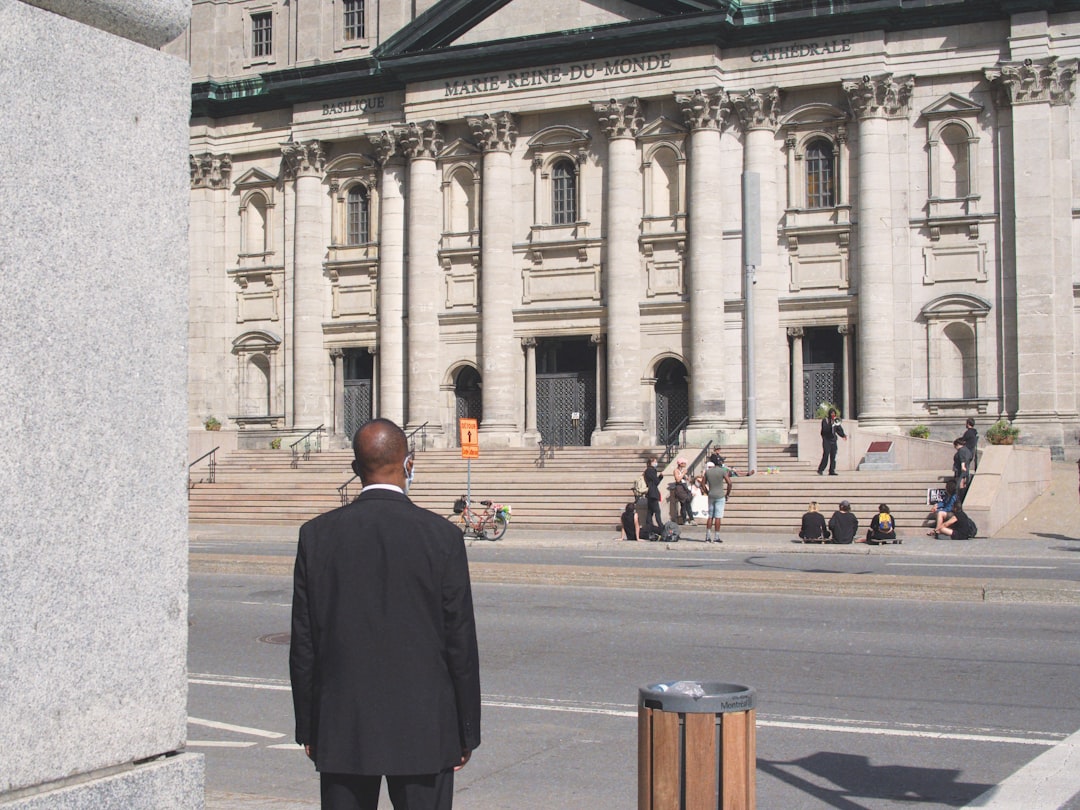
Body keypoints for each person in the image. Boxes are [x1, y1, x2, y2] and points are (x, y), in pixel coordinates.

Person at [290, 419, 481, 810]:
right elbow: (459, 642)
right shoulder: (441, 536)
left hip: (344, 727)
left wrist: (309, 727)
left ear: (356, 469)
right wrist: (466, 731)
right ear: (409, 464)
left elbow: (304, 643)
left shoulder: (317, 535)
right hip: (425, 727)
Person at [703, 456, 732, 543]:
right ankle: (716, 537)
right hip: (720, 495)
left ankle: (707, 537)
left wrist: (707, 492)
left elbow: (702, 484)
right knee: (718, 517)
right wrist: (727, 494)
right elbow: (729, 483)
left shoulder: (708, 472)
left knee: (710, 516)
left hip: (711, 495)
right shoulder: (723, 471)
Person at [816, 408, 847, 476]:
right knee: (826, 454)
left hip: (833, 440)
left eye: (834, 413)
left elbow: (839, 429)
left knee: (833, 456)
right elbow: (824, 430)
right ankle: (821, 469)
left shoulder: (836, 421)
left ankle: (832, 470)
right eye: (831, 413)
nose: (833, 415)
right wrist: (831, 425)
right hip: (826, 440)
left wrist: (843, 435)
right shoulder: (825, 420)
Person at [643, 456, 664, 538]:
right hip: (653, 493)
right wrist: (661, 476)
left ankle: (648, 527)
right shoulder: (651, 470)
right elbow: (656, 481)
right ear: (651, 463)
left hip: (650, 493)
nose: (656, 463)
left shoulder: (647, 471)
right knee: (657, 511)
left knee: (650, 512)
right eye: (655, 461)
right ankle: (661, 527)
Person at [672, 458, 694, 525]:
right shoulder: (676, 471)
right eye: (684, 463)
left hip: (685, 488)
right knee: (683, 504)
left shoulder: (683, 471)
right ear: (680, 464)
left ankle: (691, 518)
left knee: (688, 503)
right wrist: (683, 473)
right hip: (680, 488)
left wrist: (687, 477)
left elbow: (688, 479)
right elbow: (678, 480)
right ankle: (684, 519)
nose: (685, 464)